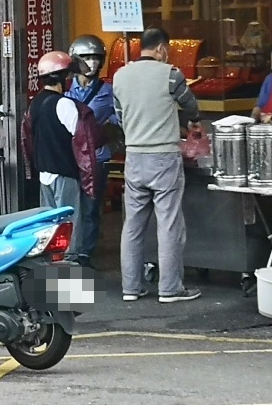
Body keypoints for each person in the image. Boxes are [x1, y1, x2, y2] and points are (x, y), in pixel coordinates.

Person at [112, 27, 203, 303]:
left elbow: (119, 117)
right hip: (163, 156)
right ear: (162, 49)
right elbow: (192, 107)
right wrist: (190, 122)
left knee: (132, 225)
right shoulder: (171, 75)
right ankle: (170, 288)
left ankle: (131, 287)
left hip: (134, 157)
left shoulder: (119, 76)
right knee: (169, 224)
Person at [21, 51, 103, 262]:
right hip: (64, 174)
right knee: (70, 224)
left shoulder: (35, 104)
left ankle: (53, 263)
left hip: (44, 174)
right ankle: (71, 263)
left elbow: (28, 139)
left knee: (50, 225)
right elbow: (84, 146)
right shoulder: (64, 104)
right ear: (61, 78)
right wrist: (90, 181)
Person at [65, 34, 118, 268]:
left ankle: (85, 252)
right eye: (86, 57)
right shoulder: (65, 89)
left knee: (91, 206)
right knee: (69, 205)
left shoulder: (109, 90)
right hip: (69, 157)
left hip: (97, 157)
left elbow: (120, 122)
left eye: (96, 58)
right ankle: (69, 250)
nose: (92, 63)